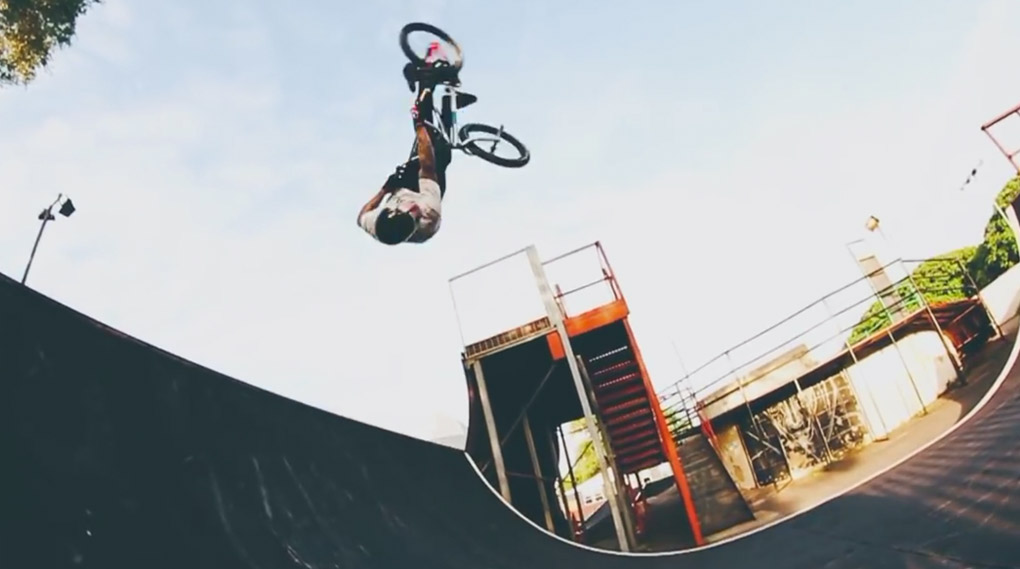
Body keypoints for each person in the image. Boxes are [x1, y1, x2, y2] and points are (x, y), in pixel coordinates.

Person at [357, 63, 455, 245]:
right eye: (414, 215)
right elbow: (428, 167)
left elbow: (361, 216)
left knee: (426, 137)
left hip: (402, 187)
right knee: (441, 154)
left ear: (389, 211)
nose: (413, 210)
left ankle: (424, 82)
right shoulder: (429, 213)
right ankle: (447, 103)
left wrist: (384, 189)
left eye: (407, 210)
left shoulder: (376, 223)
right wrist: (419, 126)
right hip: (428, 189)